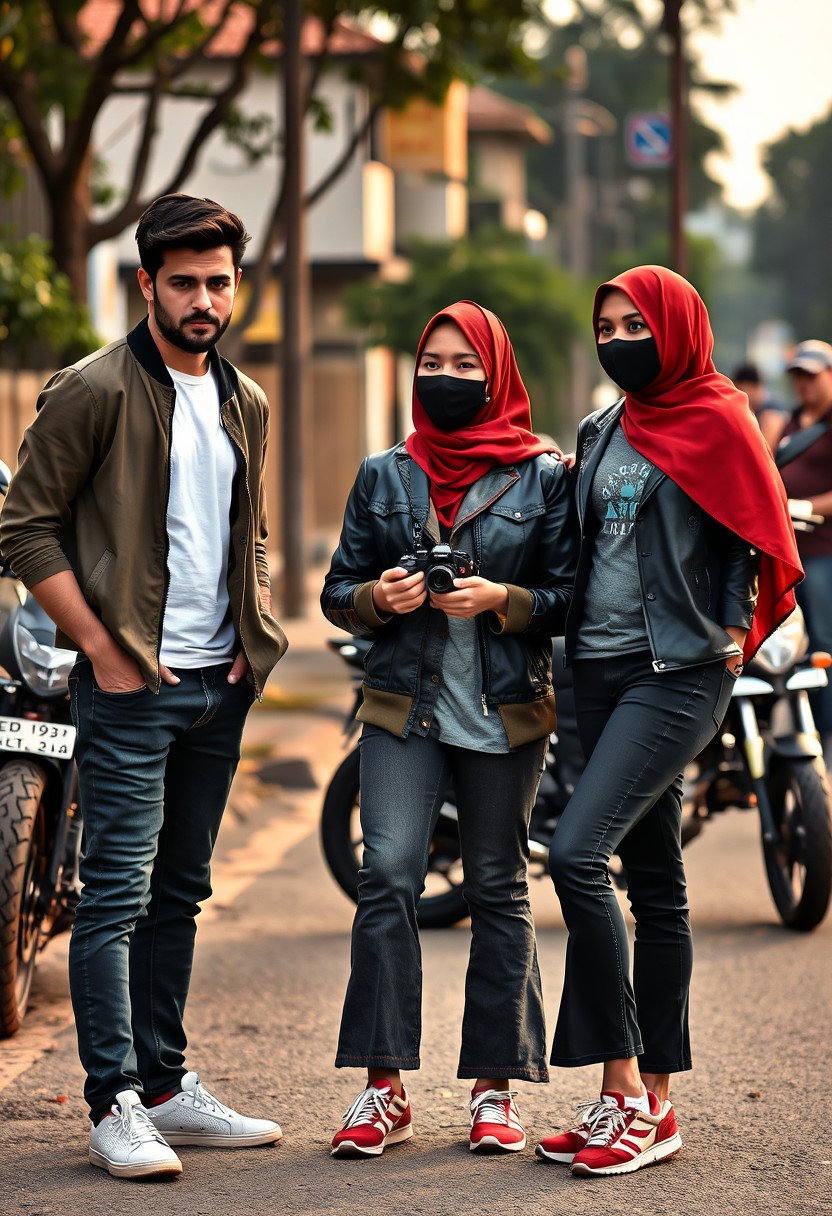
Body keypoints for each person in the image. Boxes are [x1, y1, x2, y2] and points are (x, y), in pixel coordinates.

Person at [0, 194, 288, 1180]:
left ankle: (166, 1085)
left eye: (218, 282)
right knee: (116, 894)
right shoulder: (92, 390)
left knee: (182, 890)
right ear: (147, 286)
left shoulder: (246, 399)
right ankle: (112, 1098)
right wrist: (103, 649)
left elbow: (246, 530)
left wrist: (254, 630)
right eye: (184, 283)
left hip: (220, 681)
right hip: (129, 685)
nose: (203, 300)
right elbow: (25, 529)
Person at [534, 266, 802, 1178]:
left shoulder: (719, 419)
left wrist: (730, 633)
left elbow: (746, 529)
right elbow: (581, 548)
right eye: (604, 326)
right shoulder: (601, 426)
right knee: (657, 881)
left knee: (575, 854)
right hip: (596, 672)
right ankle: (660, 1098)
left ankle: (622, 1094)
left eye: (632, 324)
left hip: (677, 671)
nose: (616, 340)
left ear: (676, 328)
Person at [321, 300, 578, 1158]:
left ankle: (494, 1089)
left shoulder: (544, 476)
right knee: (388, 869)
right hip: (404, 708)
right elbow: (336, 591)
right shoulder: (383, 473)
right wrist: (376, 601)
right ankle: (382, 1087)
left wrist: (504, 601)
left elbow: (571, 599)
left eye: (468, 365)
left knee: (499, 885)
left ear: (498, 373)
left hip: (504, 715)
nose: (448, 377)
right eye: (434, 361)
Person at [775, 339, 832, 764]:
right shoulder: (788, 423)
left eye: (812, 376)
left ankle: (825, 734)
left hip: (821, 551)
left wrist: (810, 507)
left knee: (821, 645)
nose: (804, 385)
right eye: (798, 377)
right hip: (785, 551)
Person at [730, 360, 789, 451]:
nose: (737, 395)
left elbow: (766, 449)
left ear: (754, 387)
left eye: (741, 390)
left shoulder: (771, 410)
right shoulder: (756, 409)